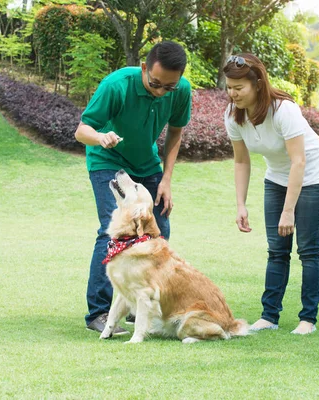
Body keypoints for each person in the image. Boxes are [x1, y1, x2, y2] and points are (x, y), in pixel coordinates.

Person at [75, 41, 192, 334]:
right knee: (114, 229)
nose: (161, 91)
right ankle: (99, 313)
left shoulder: (181, 90)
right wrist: (100, 137)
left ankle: (140, 306)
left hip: (148, 165)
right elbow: (82, 130)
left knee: (158, 231)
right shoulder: (117, 85)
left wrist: (166, 179)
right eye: (155, 83)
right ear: (144, 68)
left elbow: (176, 132)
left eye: (169, 87)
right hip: (107, 159)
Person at [223, 53, 319, 335]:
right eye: (229, 87)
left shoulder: (283, 110)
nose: (232, 94)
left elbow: (299, 161)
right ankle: (269, 316)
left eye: (239, 88)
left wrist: (288, 211)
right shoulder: (233, 116)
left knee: (308, 249)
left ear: (257, 84)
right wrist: (240, 204)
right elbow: (241, 161)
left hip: (312, 175)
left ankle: (308, 319)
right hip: (276, 177)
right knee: (277, 250)